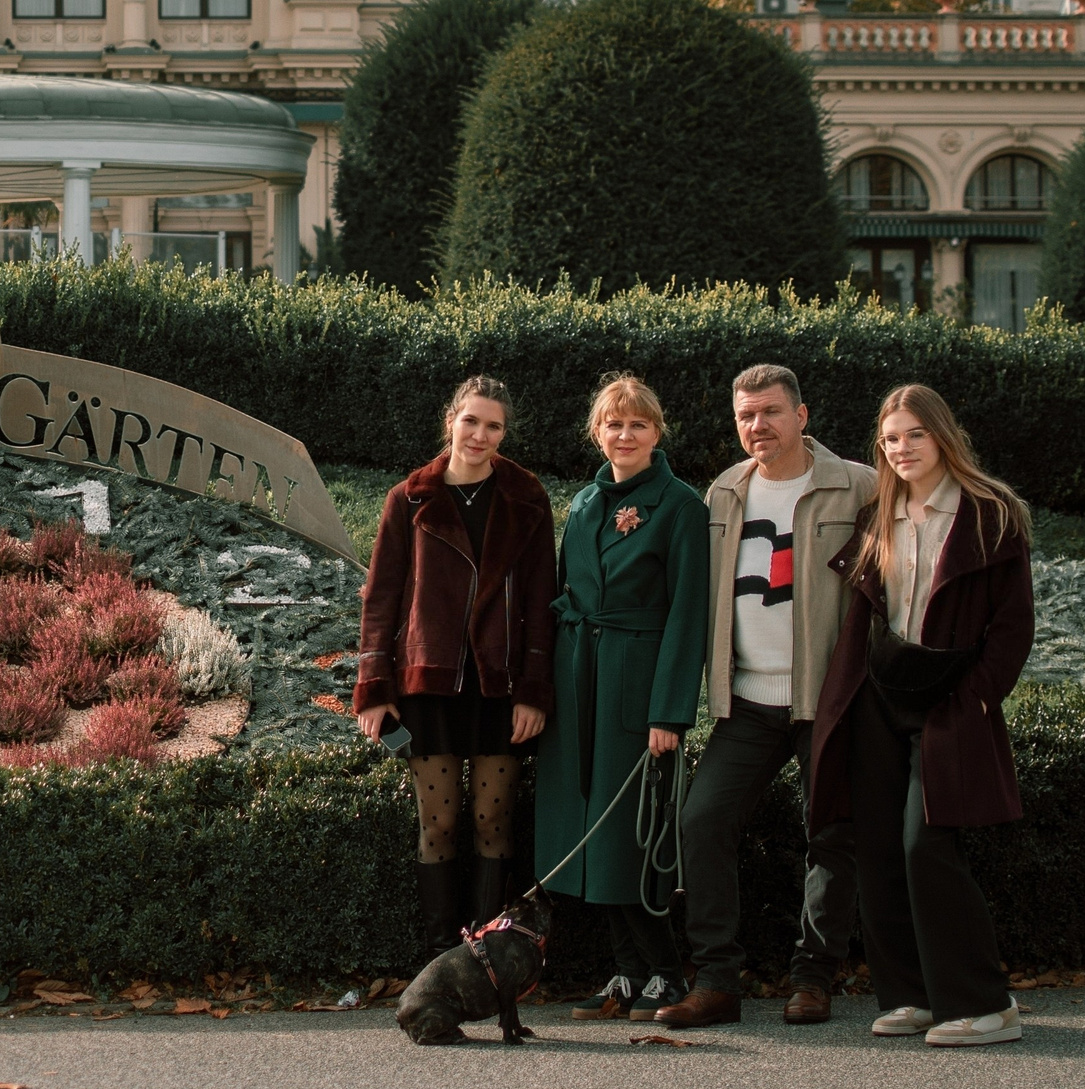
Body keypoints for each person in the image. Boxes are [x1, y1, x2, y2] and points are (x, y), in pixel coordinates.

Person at [809, 384, 1035, 1047]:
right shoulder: (880, 514)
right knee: (877, 844)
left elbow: (1013, 627)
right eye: (888, 438)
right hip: (880, 691)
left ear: (942, 435)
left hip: (952, 693)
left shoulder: (991, 514)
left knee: (925, 842)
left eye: (912, 434)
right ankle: (911, 993)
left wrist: (979, 697)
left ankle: (984, 1003)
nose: (899, 448)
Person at [656, 364, 874, 1029]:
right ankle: (718, 979)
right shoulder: (723, 492)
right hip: (747, 702)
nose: (758, 425)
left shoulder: (857, 484)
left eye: (772, 411)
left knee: (832, 835)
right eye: (746, 414)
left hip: (826, 702)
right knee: (701, 821)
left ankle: (814, 977)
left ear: (802, 415)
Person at [355, 377, 558, 955]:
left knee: (494, 821)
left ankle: (490, 957)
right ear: (451, 420)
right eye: (471, 421)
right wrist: (373, 687)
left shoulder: (526, 497)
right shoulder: (410, 497)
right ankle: (442, 956)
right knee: (439, 825)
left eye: (493, 426)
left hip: (502, 686)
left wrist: (534, 691)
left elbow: (544, 599)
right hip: (429, 684)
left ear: (504, 433)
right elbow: (381, 595)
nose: (480, 435)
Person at [540, 374, 708, 1022]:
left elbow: (688, 613)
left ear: (657, 431)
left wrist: (669, 710)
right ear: (597, 431)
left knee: (634, 833)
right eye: (614, 423)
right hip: (579, 677)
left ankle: (666, 971)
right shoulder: (582, 503)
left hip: (637, 686)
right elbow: (564, 589)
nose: (625, 434)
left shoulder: (682, 506)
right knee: (593, 830)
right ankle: (626, 974)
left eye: (638, 423)